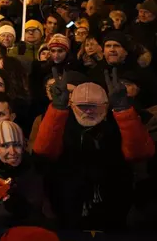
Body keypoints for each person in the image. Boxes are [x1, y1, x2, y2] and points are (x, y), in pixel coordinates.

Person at [33, 68, 155, 230]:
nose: (88, 111)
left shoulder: (117, 123)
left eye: (94, 106)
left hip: (114, 205)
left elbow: (140, 153)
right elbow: (44, 152)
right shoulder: (61, 121)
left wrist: (123, 110)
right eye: (83, 106)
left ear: (105, 106)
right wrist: (57, 108)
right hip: (67, 205)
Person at [0, 120, 53, 227]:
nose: (12, 152)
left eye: (16, 145)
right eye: (4, 146)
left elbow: (44, 215)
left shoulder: (34, 171)